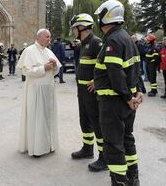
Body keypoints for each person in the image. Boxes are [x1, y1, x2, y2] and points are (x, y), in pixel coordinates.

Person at [93, 0, 145, 186]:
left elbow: (116, 73)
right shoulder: (126, 38)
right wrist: (137, 92)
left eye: (100, 15)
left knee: (113, 144)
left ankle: (119, 182)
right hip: (126, 101)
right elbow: (136, 69)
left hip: (113, 101)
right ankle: (133, 179)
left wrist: (127, 97)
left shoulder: (113, 40)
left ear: (106, 17)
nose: (98, 19)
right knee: (127, 138)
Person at [69, 13, 107, 172]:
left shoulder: (96, 43)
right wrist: (80, 88)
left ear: (82, 27)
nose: (73, 31)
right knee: (84, 120)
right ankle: (87, 149)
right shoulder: (84, 43)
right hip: (83, 90)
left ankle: (104, 157)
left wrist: (97, 83)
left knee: (97, 122)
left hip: (92, 92)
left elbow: (106, 65)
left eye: (74, 28)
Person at [17, 29, 62, 157]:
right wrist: (44, 68)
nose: (50, 39)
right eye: (47, 37)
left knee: (48, 118)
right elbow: (27, 72)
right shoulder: (29, 51)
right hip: (36, 90)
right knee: (38, 119)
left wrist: (54, 66)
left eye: (50, 37)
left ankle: (49, 145)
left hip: (49, 90)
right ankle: (37, 148)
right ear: (39, 37)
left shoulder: (49, 51)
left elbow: (57, 70)